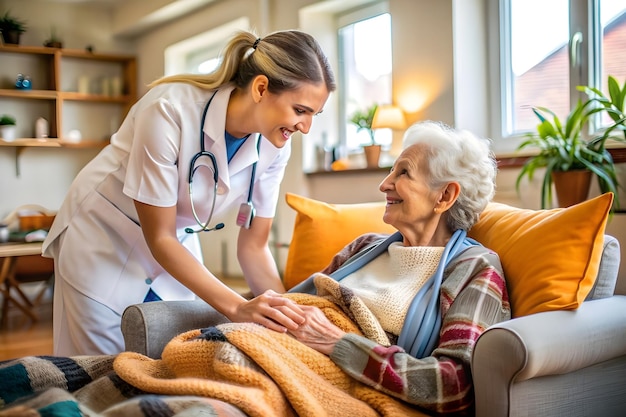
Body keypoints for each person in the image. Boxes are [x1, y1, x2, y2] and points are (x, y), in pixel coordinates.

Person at [42, 29, 336, 356]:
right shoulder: (169, 110)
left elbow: (253, 247)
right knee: (98, 371)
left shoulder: (276, 146)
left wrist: (287, 315)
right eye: (300, 110)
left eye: (314, 114)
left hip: (177, 243)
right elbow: (160, 238)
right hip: (102, 239)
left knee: (168, 362)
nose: (306, 127)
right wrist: (239, 308)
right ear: (261, 87)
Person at [286, 121, 510, 414]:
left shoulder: (475, 268)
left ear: (444, 196)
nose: (384, 184)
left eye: (403, 172)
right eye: (391, 170)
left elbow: (454, 384)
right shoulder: (363, 247)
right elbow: (294, 302)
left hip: (335, 384)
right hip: (286, 349)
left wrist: (338, 343)